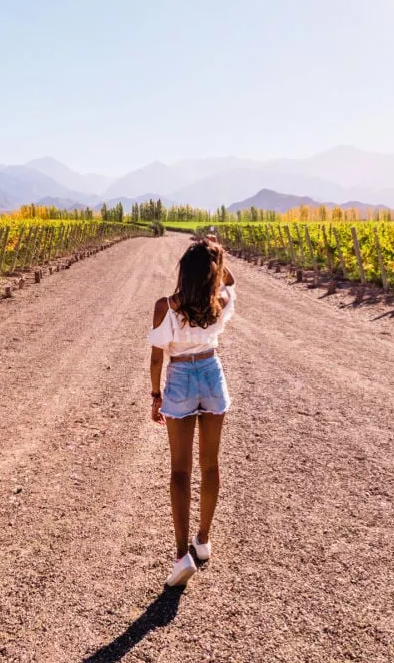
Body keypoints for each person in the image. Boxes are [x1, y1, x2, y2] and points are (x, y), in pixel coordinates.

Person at [147, 238, 236, 587]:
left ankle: (182, 554)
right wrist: (215, 261)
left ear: (183, 272)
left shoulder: (164, 307)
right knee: (210, 464)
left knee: (179, 472)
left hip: (181, 376)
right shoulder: (221, 301)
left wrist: (156, 395)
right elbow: (230, 282)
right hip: (212, 373)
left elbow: (157, 358)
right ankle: (204, 539)